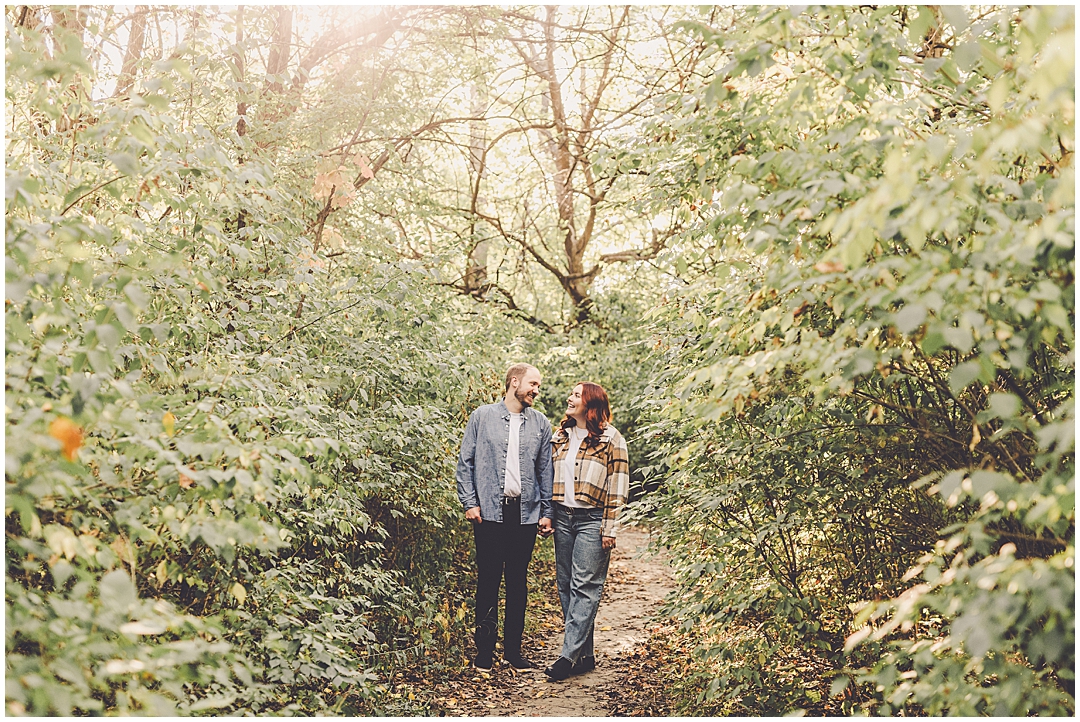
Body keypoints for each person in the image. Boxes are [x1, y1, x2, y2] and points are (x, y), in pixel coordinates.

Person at [456, 363, 554, 670]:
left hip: (524, 515)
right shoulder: (482, 417)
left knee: (517, 583)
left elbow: (545, 471)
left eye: (538, 385)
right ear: (514, 382)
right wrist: (470, 502)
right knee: (487, 581)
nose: (536, 390)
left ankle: (513, 652)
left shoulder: (540, 423)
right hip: (489, 514)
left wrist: (547, 511)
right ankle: (484, 653)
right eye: (533, 384)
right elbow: (465, 462)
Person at [544, 382, 629, 681]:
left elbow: (618, 487)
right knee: (566, 585)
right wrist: (548, 515)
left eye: (577, 395)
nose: (569, 397)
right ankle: (585, 655)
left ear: (590, 405)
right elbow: (548, 479)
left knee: (585, 587)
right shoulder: (560, 436)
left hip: (592, 519)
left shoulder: (611, 438)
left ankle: (567, 657)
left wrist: (610, 527)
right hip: (562, 517)